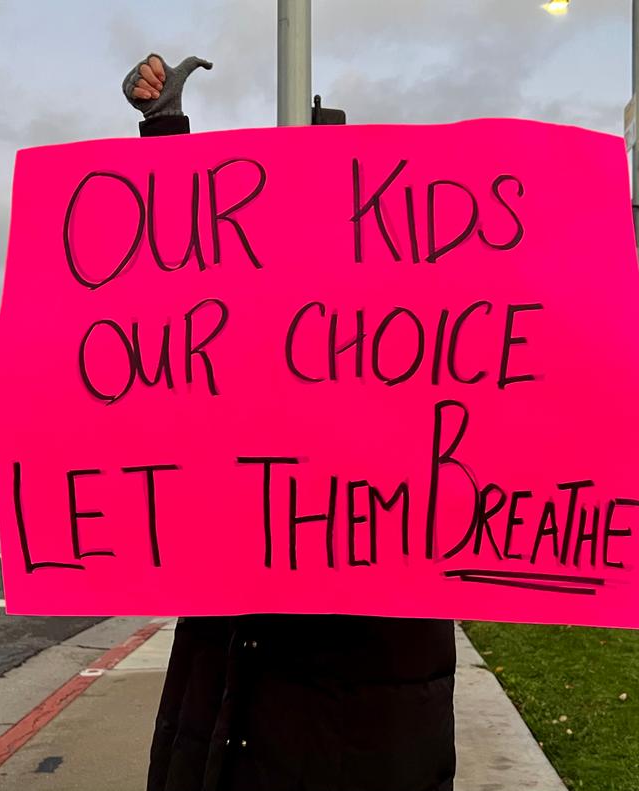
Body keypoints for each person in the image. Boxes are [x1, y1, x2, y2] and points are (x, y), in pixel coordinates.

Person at [123, 55, 458, 791]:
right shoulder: (247, 374)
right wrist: (164, 133)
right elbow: (181, 287)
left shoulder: (419, 387)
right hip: (233, 707)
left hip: (350, 721)